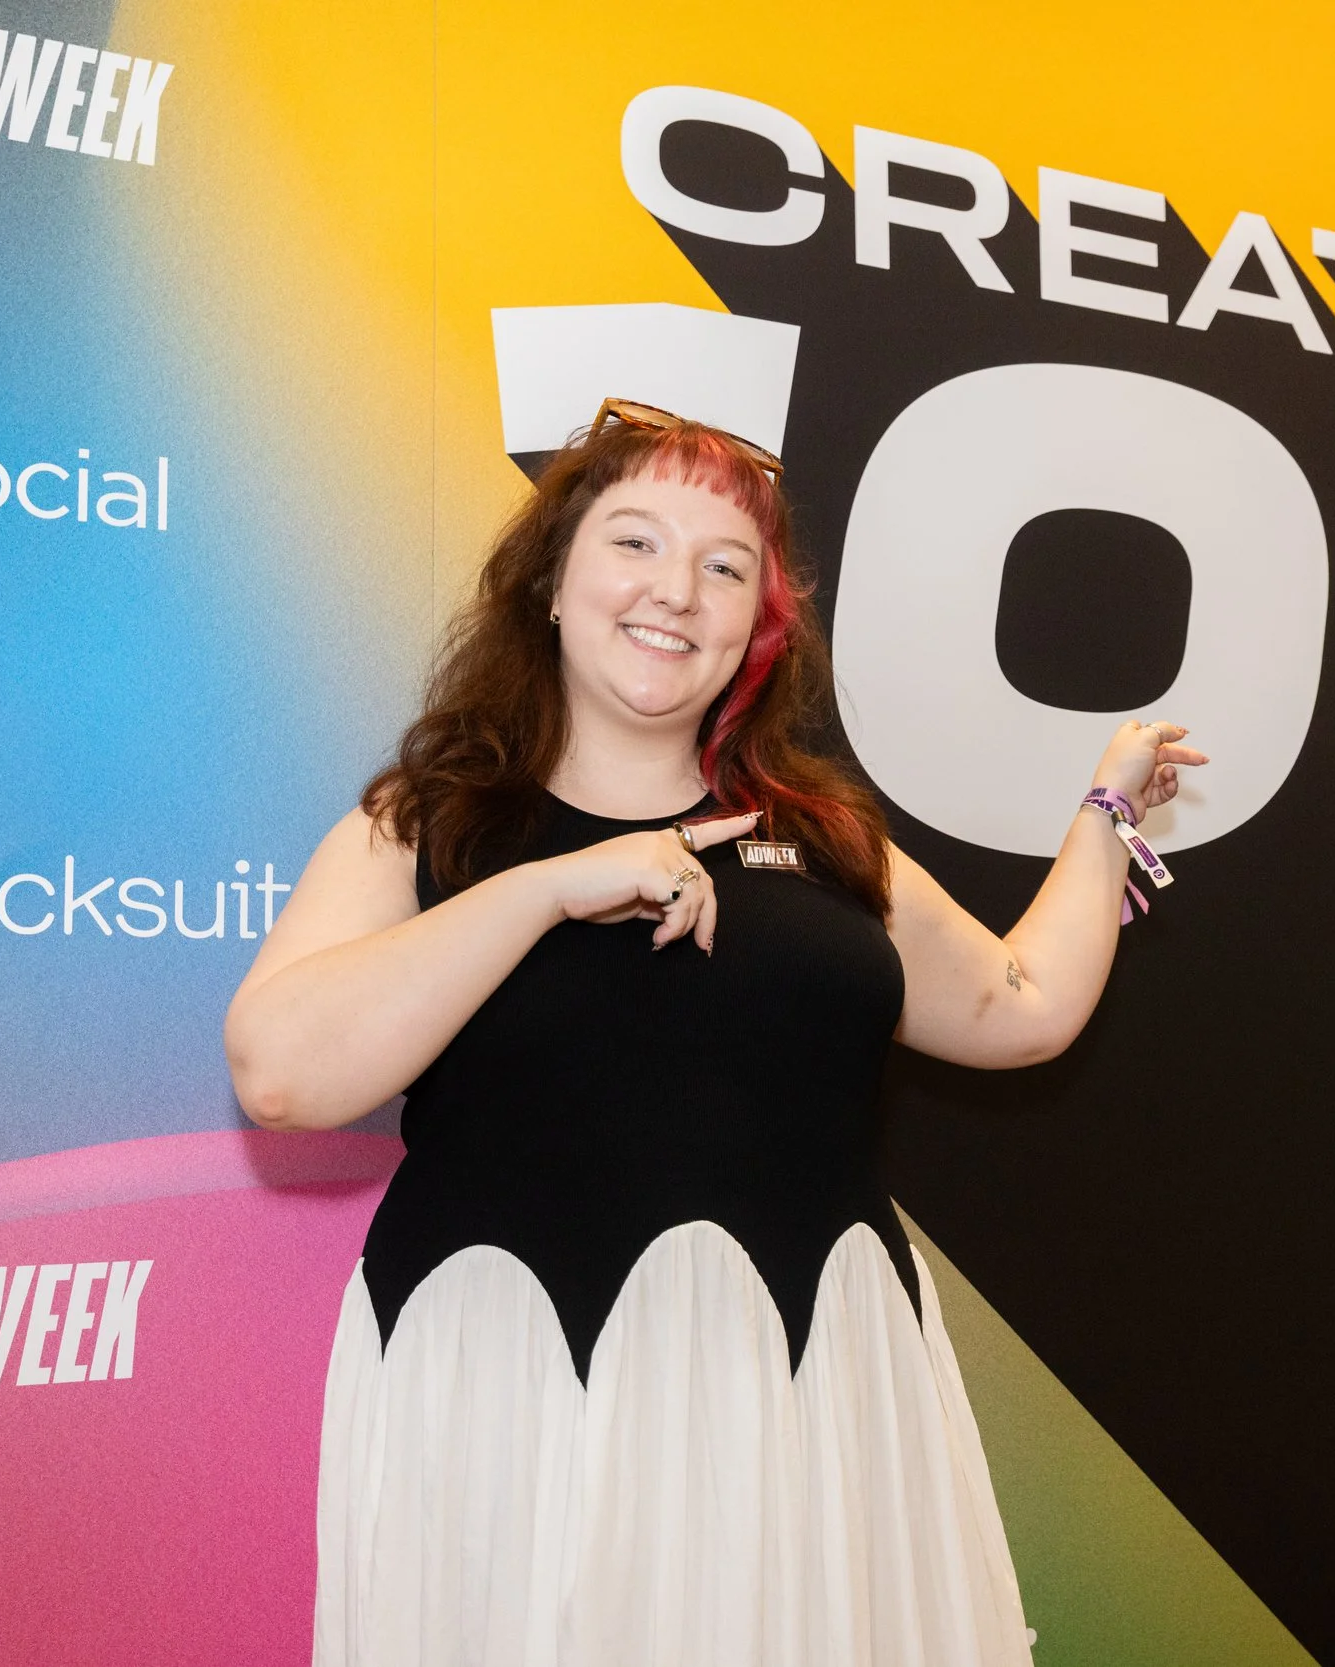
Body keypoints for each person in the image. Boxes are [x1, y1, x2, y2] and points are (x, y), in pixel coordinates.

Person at [224, 398, 1207, 1667]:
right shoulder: (430, 824)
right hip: (515, 1384)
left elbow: (1018, 1007)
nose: (675, 590)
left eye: (723, 565)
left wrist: (1105, 809)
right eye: (634, 543)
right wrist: (545, 889)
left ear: (757, 627)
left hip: (810, 1385)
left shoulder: (827, 836)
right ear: (552, 585)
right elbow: (281, 1071)